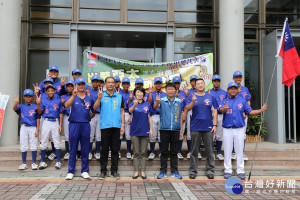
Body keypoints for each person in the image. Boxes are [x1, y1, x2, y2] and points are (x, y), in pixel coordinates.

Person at [219, 82, 267, 180]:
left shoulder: (242, 100)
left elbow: (250, 112)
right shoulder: (224, 100)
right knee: (227, 151)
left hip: (239, 129)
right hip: (227, 129)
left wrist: (261, 110)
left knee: (239, 151)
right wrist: (224, 108)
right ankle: (227, 170)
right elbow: (220, 110)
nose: (233, 90)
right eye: (231, 88)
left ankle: (240, 171)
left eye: (234, 88)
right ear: (228, 90)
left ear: (237, 90)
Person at [185, 78, 218, 179]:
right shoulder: (191, 96)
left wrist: (215, 125)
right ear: (195, 86)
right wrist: (193, 102)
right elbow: (187, 108)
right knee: (194, 151)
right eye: (198, 84)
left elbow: (215, 111)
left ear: (205, 85)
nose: (200, 85)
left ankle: (210, 170)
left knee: (209, 150)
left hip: (208, 127)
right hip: (195, 127)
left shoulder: (210, 97)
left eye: (202, 83)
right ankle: (193, 171)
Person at [94, 77, 125, 180]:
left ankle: (114, 171)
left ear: (115, 84)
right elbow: (94, 108)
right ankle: (103, 171)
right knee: (104, 150)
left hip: (116, 126)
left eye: (112, 82)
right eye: (109, 82)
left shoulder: (119, 96)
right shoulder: (101, 95)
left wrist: (123, 125)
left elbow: (122, 111)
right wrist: (98, 98)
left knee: (115, 150)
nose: (111, 84)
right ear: (105, 84)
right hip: (105, 126)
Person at [65, 78, 96, 180]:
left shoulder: (89, 98)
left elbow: (92, 112)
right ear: (76, 85)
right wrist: (73, 96)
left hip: (85, 125)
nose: (81, 86)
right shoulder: (72, 97)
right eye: (79, 84)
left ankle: (85, 170)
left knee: (85, 148)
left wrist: (86, 117)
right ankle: (71, 171)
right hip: (74, 124)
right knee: (73, 148)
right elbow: (66, 105)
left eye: (83, 84)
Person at [154, 83, 184, 179]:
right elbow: (155, 107)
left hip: (175, 129)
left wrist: (180, 128)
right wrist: (157, 102)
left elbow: (181, 115)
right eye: (169, 89)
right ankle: (163, 171)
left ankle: (175, 171)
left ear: (175, 90)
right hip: (164, 129)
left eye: (172, 89)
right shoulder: (162, 100)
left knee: (174, 152)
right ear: (166, 91)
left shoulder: (179, 101)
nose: (170, 91)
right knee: (164, 151)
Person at [36, 84, 63, 170]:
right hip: (46, 121)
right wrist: (38, 104)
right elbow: (40, 112)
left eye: (52, 90)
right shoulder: (43, 100)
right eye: (48, 90)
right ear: (46, 92)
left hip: (55, 122)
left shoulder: (58, 100)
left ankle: (59, 161)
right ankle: (42, 162)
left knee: (57, 141)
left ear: (55, 91)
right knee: (43, 141)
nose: (50, 92)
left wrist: (60, 125)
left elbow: (60, 113)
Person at [128, 87, 153, 179]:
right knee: (136, 152)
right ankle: (135, 171)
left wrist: (151, 129)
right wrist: (134, 105)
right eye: (137, 92)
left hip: (145, 130)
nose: (139, 94)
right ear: (135, 94)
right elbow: (130, 111)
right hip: (134, 130)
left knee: (143, 152)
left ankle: (142, 171)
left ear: (143, 94)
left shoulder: (148, 104)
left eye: (141, 92)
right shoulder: (132, 103)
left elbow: (149, 117)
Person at [13, 89, 39, 170]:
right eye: (26, 96)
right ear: (24, 97)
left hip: (33, 127)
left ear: (32, 97)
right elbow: (14, 109)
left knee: (33, 144)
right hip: (24, 127)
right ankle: (24, 163)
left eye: (30, 96)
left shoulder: (35, 106)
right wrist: (16, 103)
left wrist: (37, 130)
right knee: (23, 144)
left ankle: (34, 163)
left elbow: (38, 119)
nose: (28, 98)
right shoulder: (21, 106)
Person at [232, 71, 252, 161]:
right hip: (233, 114)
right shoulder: (231, 88)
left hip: (243, 115)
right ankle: (233, 152)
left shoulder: (245, 89)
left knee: (242, 134)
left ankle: (242, 152)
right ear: (233, 78)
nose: (238, 79)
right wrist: (236, 92)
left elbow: (248, 101)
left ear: (242, 78)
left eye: (239, 77)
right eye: (236, 77)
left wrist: (246, 112)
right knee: (232, 133)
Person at [208, 75, 227, 161]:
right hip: (210, 115)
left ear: (219, 82)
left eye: (218, 81)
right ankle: (211, 153)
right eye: (215, 81)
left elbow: (226, 103)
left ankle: (219, 153)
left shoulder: (224, 92)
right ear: (212, 82)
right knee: (210, 135)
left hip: (220, 114)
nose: (216, 82)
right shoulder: (208, 92)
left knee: (219, 135)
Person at [148, 77, 166, 160]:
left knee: (160, 135)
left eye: (160, 83)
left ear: (162, 84)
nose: (158, 85)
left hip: (162, 115)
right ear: (154, 84)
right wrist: (150, 93)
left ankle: (161, 152)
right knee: (153, 135)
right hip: (153, 115)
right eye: (157, 83)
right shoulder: (151, 93)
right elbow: (149, 103)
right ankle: (152, 152)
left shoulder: (164, 94)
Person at [185, 75, 202, 159]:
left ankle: (198, 151)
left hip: (199, 112)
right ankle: (190, 151)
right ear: (191, 82)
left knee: (199, 132)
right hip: (190, 111)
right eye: (192, 81)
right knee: (189, 132)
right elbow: (186, 105)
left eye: (195, 80)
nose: (194, 82)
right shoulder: (187, 92)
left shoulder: (202, 91)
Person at [172, 76, 187, 160]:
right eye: (175, 83)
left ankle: (178, 152)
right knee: (172, 135)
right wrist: (175, 97)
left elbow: (186, 106)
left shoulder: (184, 93)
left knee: (180, 134)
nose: (177, 85)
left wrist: (184, 115)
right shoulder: (169, 93)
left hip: (180, 115)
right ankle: (172, 151)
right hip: (171, 115)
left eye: (178, 83)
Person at [89, 75, 102, 160]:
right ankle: (89, 152)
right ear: (91, 82)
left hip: (100, 114)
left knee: (98, 135)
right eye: (94, 81)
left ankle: (97, 152)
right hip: (91, 115)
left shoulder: (102, 92)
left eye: (97, 81)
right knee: (90, 135)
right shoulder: (88, 92)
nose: (95, 83)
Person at [119, 77, 133, 159]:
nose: (125, 85)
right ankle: (118, 151)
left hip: (127, 113)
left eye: (127, 84)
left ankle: (128, 152)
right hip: (119, 114)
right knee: (119, 134)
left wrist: (131, 116)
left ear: (129, 85)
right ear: (122, 84)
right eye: (124, 84)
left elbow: (131, 107)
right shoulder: (118, 92)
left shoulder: (131, 93)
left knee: (128, 134)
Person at [61, 81, 74, 160]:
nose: (69, 88)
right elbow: (60, 109)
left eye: (71, 86)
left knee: (75, 135)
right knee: (67, 135)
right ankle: (67, 152)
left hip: (75, 117)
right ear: (66, 87)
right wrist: (62, 104)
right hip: (66, 116)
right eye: (68, 86)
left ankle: (74, 151)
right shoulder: (63, 96)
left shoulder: (77, 95)